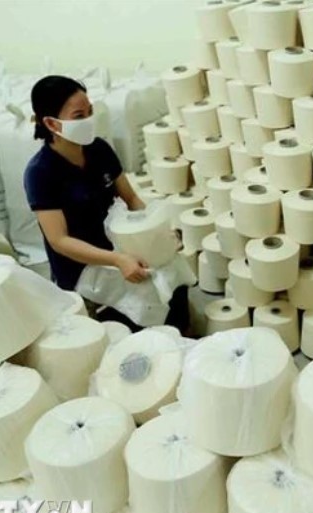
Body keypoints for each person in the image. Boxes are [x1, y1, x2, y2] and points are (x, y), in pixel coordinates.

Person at [24, 75, 189, 332]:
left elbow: (131, 198)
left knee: (172, 269)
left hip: (117, 245)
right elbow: (60, 240)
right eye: (79, 116)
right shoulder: (40, 172)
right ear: (50, 123)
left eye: (90, 111)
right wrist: (117, 260)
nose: (89, 120)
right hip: (82, 265)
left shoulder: (98, 149)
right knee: (144, 297)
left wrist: (157, 232)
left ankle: (180, 336)